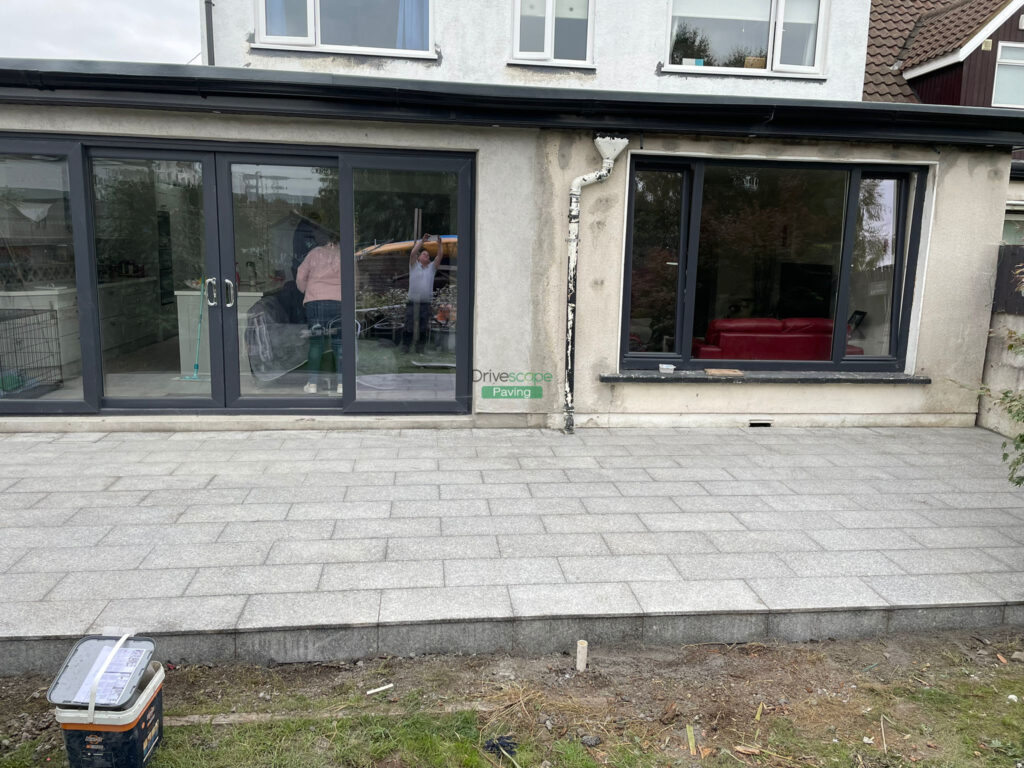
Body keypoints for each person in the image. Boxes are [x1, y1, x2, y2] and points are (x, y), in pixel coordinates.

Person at [296, 238, 342, 394]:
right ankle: (343, 384)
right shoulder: (345, 255)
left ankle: (312, 384)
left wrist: (308, 291)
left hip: (315, 302)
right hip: (339, 302)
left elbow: (300, 276)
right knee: (340, 344)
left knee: (316, 343)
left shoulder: (314, 253)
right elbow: (354, 280)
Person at [402, 233, 444, 354]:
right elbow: (412, 253)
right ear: (419, 258)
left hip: (425, 304)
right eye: (424, 254)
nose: (427, 256)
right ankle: (405, 347)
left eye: (428, 255)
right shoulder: (414, 266)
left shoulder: (431, 268)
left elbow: (439, 256)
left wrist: (439, 244)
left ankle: (420, 349)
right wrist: (422, 242)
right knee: (409, 325)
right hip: (412, 302)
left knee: (423, 328)